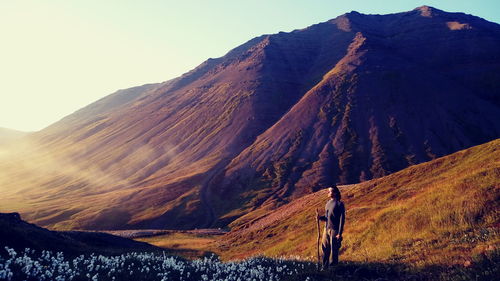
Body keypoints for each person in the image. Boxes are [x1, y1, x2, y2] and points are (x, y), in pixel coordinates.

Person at [317, 185, 345, 267]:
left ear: (335, 192)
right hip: (326, 229)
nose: (328, 193)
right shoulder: (328, 203)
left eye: (330, 191)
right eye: (328, 191)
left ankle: (333, 268)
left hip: (335, 230)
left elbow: (342, 219)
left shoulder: (340, 204)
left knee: (334, 250)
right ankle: (324, 267)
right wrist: (320, 218)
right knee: (325, 249)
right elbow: (326, 217)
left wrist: (339, 233)